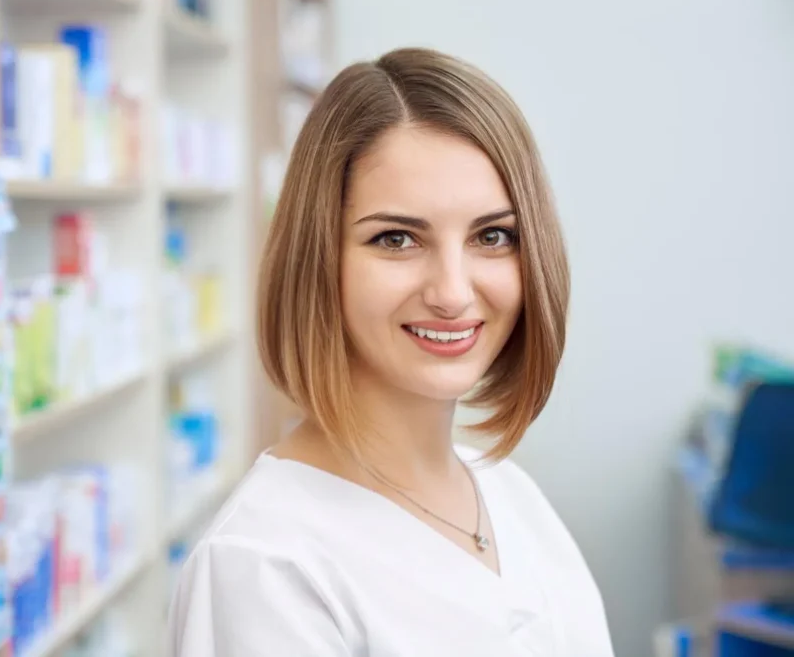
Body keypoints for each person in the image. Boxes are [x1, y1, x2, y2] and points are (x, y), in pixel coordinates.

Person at [168, 47, 615, 656]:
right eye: (397, 238)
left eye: (492, 236)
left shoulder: (510, 495)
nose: (453, 293)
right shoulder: (264, 567)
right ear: (319, 259)